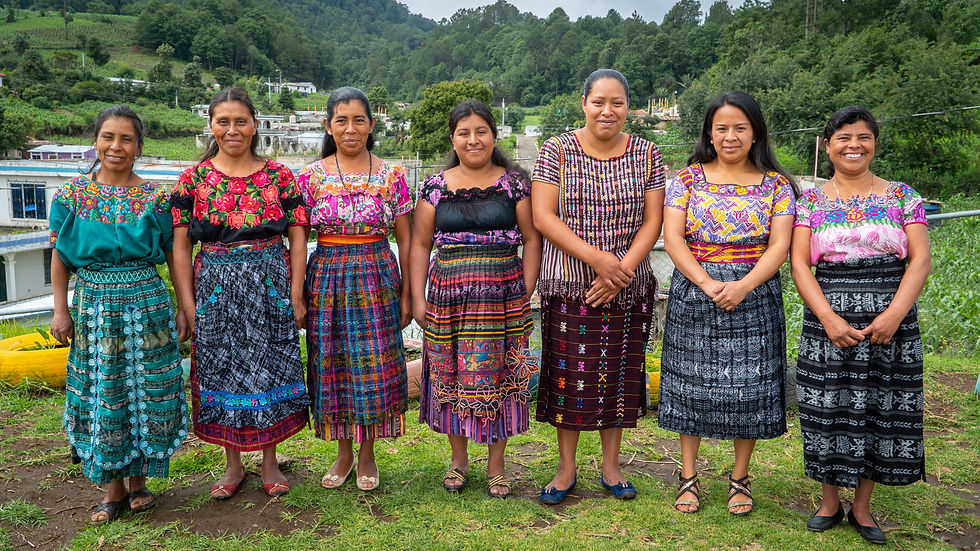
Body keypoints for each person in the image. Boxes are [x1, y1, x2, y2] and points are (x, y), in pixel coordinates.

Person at [791, 106, 930, 545]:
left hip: (891, 323)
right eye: (844, 138)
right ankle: (830, 502)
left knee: (880, 407)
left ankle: (864, 507)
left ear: (875, 144)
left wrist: (894, 315)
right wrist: (828, 318)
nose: (854, 145)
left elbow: (919, 261)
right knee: (826, 406)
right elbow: (799, 264)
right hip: (828, 322)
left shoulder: (902, 196)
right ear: (828, 145)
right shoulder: (810, 201)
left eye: (863, 137)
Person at [657, 91, 797, 516]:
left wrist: (744, 286)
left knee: (750, 387)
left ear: (755, 134)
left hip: (755, 294)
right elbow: (673, 239)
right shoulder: (687, 180)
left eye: (740, 128)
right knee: (690, 385)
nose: (730, 136)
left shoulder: (777, 185)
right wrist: (706, 282)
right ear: (709, 133)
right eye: (721, 128)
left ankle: (740, 478)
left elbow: (780, 246)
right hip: (695, 290)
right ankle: (688, 475)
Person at [531, 69, 665, 504]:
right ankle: (566, 468)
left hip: (627, 282)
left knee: (619, 377)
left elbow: (653, 220)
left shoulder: (647, 153)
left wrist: (620, 270)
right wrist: (598, 261)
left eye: (617, 103)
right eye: (599, 102)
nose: (608, 111)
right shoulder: (557, 150)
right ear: (584, 104)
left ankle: (612, 466)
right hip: (571, 282)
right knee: (568, 376)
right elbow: (543, 216)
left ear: (628, 107)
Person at [49, 105, 188, 523]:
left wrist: (185, 307)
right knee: (105, 389)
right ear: (95, 141)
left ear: (138, 147)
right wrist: (60, 310)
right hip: (94, 306)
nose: (116, 146)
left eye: (126, 139)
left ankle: (139, 482)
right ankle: (112, 488)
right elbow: (60, 256)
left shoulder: (156, 198)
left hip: (147, 303)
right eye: (108, 137)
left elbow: (173, 254)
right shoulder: (70, 197)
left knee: (147, 389)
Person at [170, 88, 309, 500]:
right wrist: (188, 305)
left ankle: (269, 462)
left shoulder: (279, 176)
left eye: (241, 121)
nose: (232, 130)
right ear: (211, 126)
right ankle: (232, 466)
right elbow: (181, 247)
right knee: (221, 367)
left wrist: (295, 293)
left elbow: (299, 235)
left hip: (270, 284)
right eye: (223, 122)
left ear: (254, 125)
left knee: (271, 366)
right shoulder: (193, 179)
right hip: (215, 286)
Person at [409, 100, 541, 498]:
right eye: (464, 133)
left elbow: (532, 238)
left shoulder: (514, 184)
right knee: (451, 374)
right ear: (453, 139)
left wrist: (525, 289)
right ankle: (459, 461)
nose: (473, 140)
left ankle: (497, 466)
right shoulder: (434, 187)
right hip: (448, 299)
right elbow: (420, 245)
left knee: (500, 376)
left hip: (503, 299)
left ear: (493, 136)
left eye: (481, 131)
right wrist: (418, 298)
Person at [296, 86, 411, 492]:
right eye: (341, 121)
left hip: (377, 275)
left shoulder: (392, 175)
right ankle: (343, 453)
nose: (350, 129)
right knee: (333, 364)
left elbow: (406, 239)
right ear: (328, 126)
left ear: (371, 125)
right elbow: (298, 238)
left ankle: (367, 454)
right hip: (327, 277)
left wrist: (408, 293)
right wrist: (298, 293)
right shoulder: (309, 177)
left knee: (375, 364)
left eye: (358, 120)